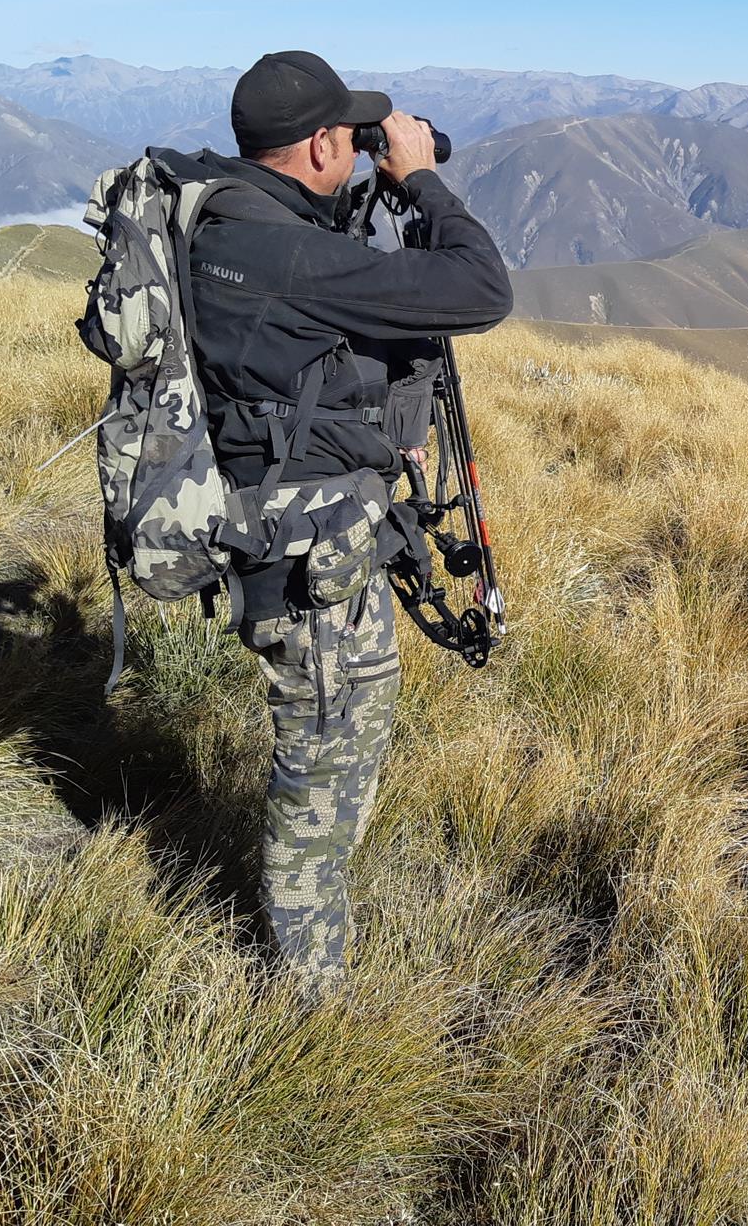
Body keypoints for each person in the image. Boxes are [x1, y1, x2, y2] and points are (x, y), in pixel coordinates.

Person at [147, 50, 512, 986]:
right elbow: (482, 289)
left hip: (297, 532)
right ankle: (308, 998)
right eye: (350, 136)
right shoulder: (289, 257)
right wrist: (420, 179)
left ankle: (313, 949)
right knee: (320, 762)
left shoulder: (230, 220)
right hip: (310, 561)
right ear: (317, 145)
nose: (359, 149)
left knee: (341, 737)